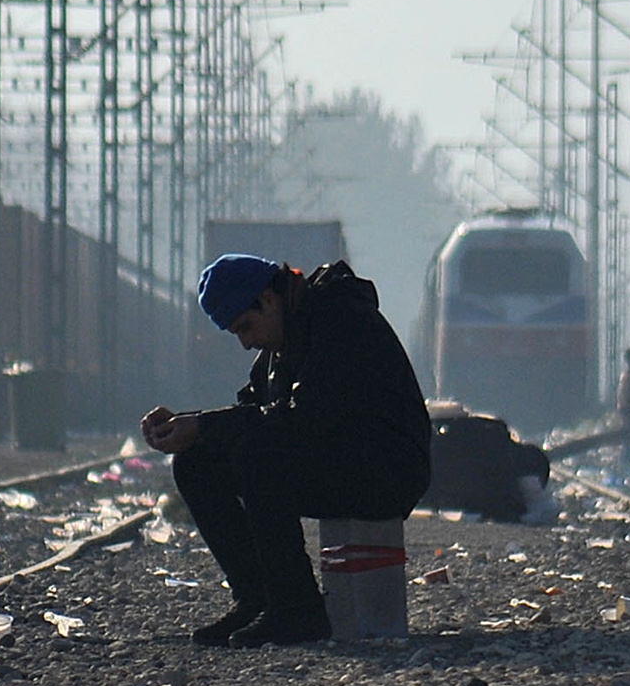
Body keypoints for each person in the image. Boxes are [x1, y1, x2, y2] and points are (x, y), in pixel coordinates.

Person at [141, 254, 433, 647]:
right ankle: (258, 599)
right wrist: (186, 425)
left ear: (268, 298)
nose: (246, 343)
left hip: (387, 468)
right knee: (197, 462)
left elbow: (308, 416)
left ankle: (297, 610)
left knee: (258, 453)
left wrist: (204, 425)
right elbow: (252, 412)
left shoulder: (341, 322)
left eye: (246, 326)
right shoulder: (283, 342)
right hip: (341, 460)